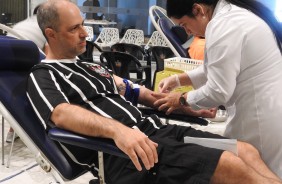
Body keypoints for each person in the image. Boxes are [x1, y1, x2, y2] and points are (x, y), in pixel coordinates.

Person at [26, 1, 282, 183]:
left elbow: (136, 91)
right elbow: (60, 114)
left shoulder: (92, 67)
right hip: (130, 156)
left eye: (82, 25)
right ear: (51, 34)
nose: (84, 33)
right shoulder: (43, 74)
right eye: (74, 29)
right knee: (230, 165)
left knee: (245, 151)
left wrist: (184, 104)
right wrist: (118, 130)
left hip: (159, 134)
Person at [153, 0, 282, 178]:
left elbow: (218, 91)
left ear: (198, 10)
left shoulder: (222, 26)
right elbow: (213, 68)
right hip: (268, 110)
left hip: (259, 119)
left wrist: (181, 99)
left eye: (184, 25)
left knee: (259, 175)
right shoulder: (232, 15)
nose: (187, 32)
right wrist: (178, 79)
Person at [5, 3, 47, 143]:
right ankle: (25, 129)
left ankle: (13, 131)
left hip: (6, 66)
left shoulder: (21, 24)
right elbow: (48, 56)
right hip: (23, 65)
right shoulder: (45, 26)